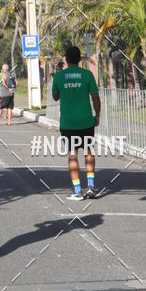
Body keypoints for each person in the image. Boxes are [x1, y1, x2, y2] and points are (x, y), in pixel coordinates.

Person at [52, 44, 101, 200]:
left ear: (66, 60)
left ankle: (78, 190)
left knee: (72, 155)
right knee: (88, 152)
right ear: (80, 59)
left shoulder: (59, 76)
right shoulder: (87, 75)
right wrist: (97, 115)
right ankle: (91, 187)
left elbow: (55, 97)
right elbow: (95, 97)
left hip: (68, 123)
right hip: (86, 121)